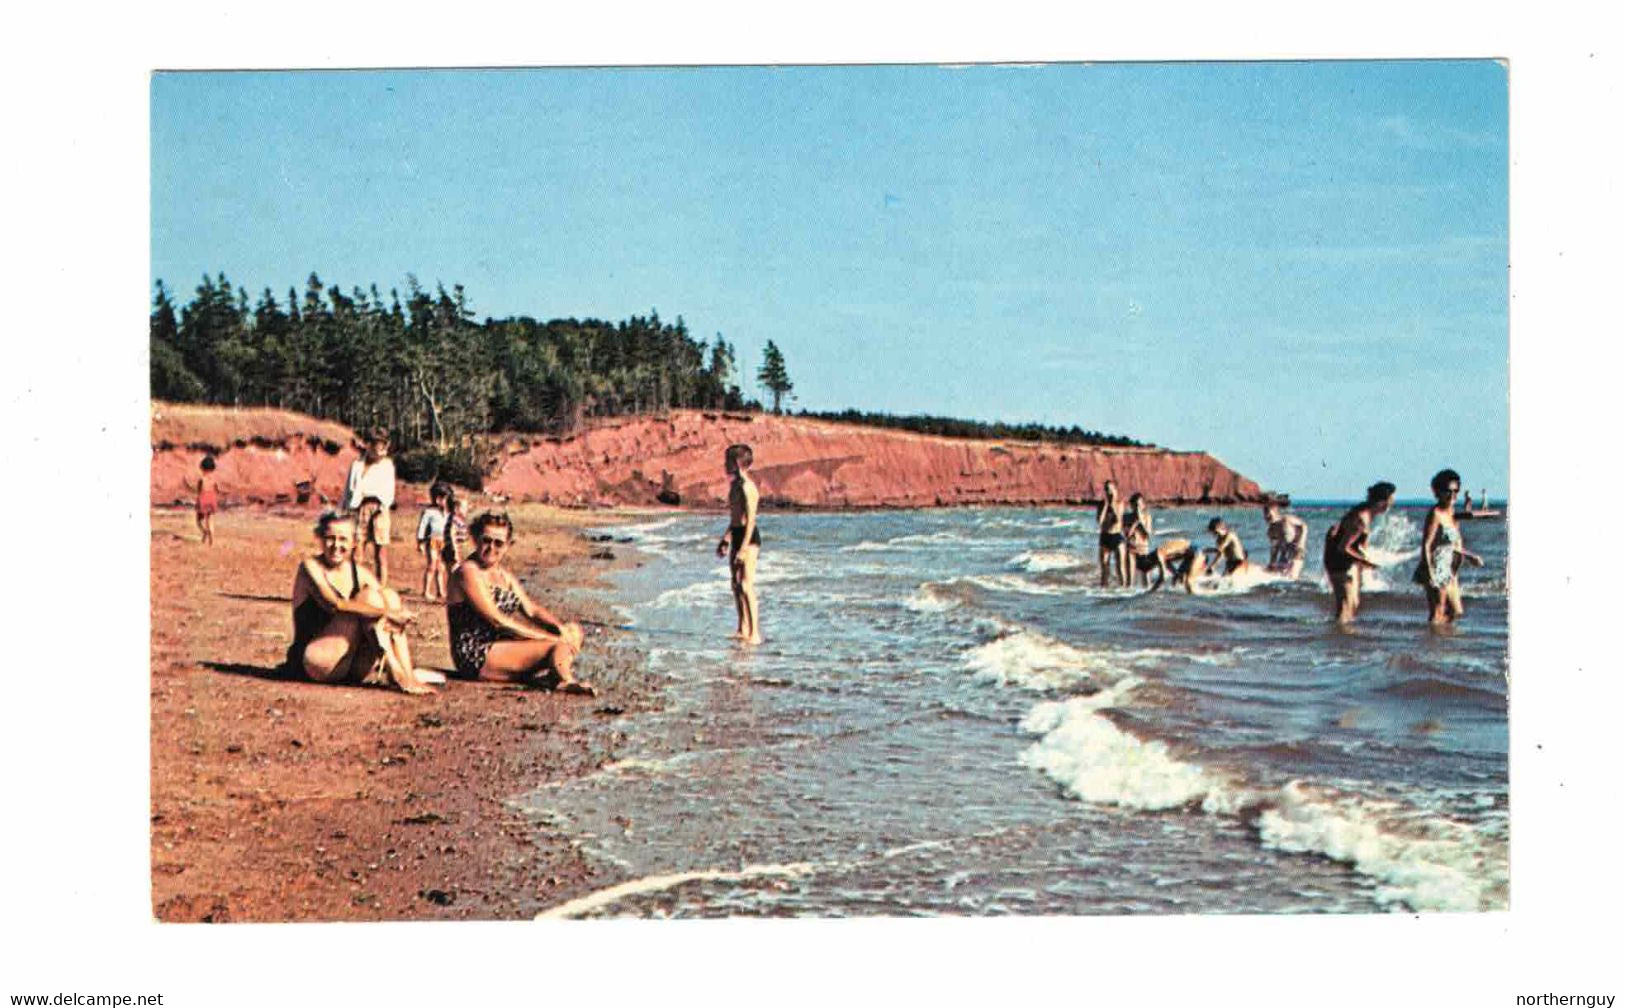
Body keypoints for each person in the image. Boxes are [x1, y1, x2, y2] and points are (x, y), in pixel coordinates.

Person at [285, 511, 439, 694]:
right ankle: (395, 672)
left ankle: (405, 674)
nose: (336, 545)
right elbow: (334, 604)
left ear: (354, 542)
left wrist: (398, 613)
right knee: (371, 601)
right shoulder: (311, 566)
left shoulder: (359, 572)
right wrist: (387, 613)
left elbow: (390, 605)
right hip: (317, 662)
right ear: (320, 538)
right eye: (330, 538)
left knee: (388, 596)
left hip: (351, 667)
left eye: (343, 539)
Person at [446, 512, 592, 693]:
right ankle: (566, 680)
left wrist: (560, 628)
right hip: (475, 654)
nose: (491, 548)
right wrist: (547, 638)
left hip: (502, 646)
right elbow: (497, 620)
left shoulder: (504, 576)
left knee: (573, 630)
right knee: (556, 645)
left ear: (508, 545)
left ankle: (551, 673)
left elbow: (531, 610)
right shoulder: (468, 572)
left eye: (498, 543)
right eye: (486, 540)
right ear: (476, 539)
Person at [1324, 481, 1397, 624]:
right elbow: (1343, 547)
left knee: (1354, 602)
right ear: (1383, 501)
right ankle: (1339, 637)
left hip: (1347, 560)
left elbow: (1359, 542)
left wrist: (1365, 558)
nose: (1393, 502)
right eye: (1391, 499)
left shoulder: (1368, 513)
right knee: (1346, 604)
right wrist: (1366, 563)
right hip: (1338, 561)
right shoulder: (1361, 518)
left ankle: (1343, 634)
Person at [1418, 469, 1485, 625]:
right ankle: (1431, 645)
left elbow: (1453, 545)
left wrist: (1469, 556)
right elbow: (1426, 545)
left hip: (1450, 567)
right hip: (1437, 566)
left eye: (1456, 491)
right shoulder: (1435, 514)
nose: (1452, 495)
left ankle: (1443, 642)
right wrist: (1429, 572)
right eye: (1448, 491)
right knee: (1437, 612)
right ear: (1438, 492)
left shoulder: (1452, 513)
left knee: (1456, 611)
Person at [714, 443, 762, 644]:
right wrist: (726, 538)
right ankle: (742, 628)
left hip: (749, 538)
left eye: (727, 461)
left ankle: (755, 634)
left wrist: (743, 548)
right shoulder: (734, 486)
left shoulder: (748, 488)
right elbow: (735, 518)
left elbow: (750, 520)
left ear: (735, 463)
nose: (724, 465)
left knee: (746, 584)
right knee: (735, 585)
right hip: (736, 533)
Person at [343, 427, 397, 585]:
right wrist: (344, 511)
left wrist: (383, 508)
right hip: (359, 509)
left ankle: (382, 587)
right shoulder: (357, 465)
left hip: (379, 509)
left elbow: (389, 490)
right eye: (377, 444)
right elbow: (348, 491)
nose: (380, 448)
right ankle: (355, 586)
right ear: (369, 445)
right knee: (356, 550)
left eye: (383, 445)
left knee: (380, 553)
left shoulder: (387, 465)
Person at [416, 482, 451, 602]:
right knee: (432, 565)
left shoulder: (448, 513)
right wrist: (420, 541)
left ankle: (440, 591)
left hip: (443, 541)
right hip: (432, 540)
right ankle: (426, 591)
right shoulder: (429, 512)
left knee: (441, 567)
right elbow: (422, 526)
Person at [1095, 480, 1127, 588]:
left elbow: (1118, 519)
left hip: (1117, 536)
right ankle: (1104, 589)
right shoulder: (1102, 505)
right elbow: (1099, 521)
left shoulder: (1120, 503)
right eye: (1106, 489)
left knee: (1120, 566)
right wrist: (1105, 505)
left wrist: (1112, 505)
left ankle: (1124, 588)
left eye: (1110, 489)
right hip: (1105, 536)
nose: (1108, 492)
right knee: (1104, 567)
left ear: (1115, 490)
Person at [1263, 501, 1308, 577]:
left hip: (1296, 550)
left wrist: (1301, 542)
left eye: (1268, 513)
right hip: (1284, 553)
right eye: (1265, 514)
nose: (1267, 516)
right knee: (1280, 575)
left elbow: (1304, 526)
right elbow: (1274, 548)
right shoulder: (1270, 531)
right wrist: (1271, 563)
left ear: (1275, 511)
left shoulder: (1286, 519)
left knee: (1292, 576)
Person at [441, 493, 470, 571]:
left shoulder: (458, 520)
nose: (467, 509)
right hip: (452, 551)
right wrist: (455, 552)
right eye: (465, 507)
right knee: (454, 572)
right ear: (456, 509)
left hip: (457, 550)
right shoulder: (454, 519)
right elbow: (452, 533)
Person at [194, 455, 219, 546]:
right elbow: (217, 490)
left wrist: (198, 501)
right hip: (212, 498)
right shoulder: (214, 479)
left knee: (199, 520)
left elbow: (199, 490)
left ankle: (205, 532)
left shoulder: (202, 479)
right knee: (210, 520)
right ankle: (211, 540)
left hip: (203, 498)